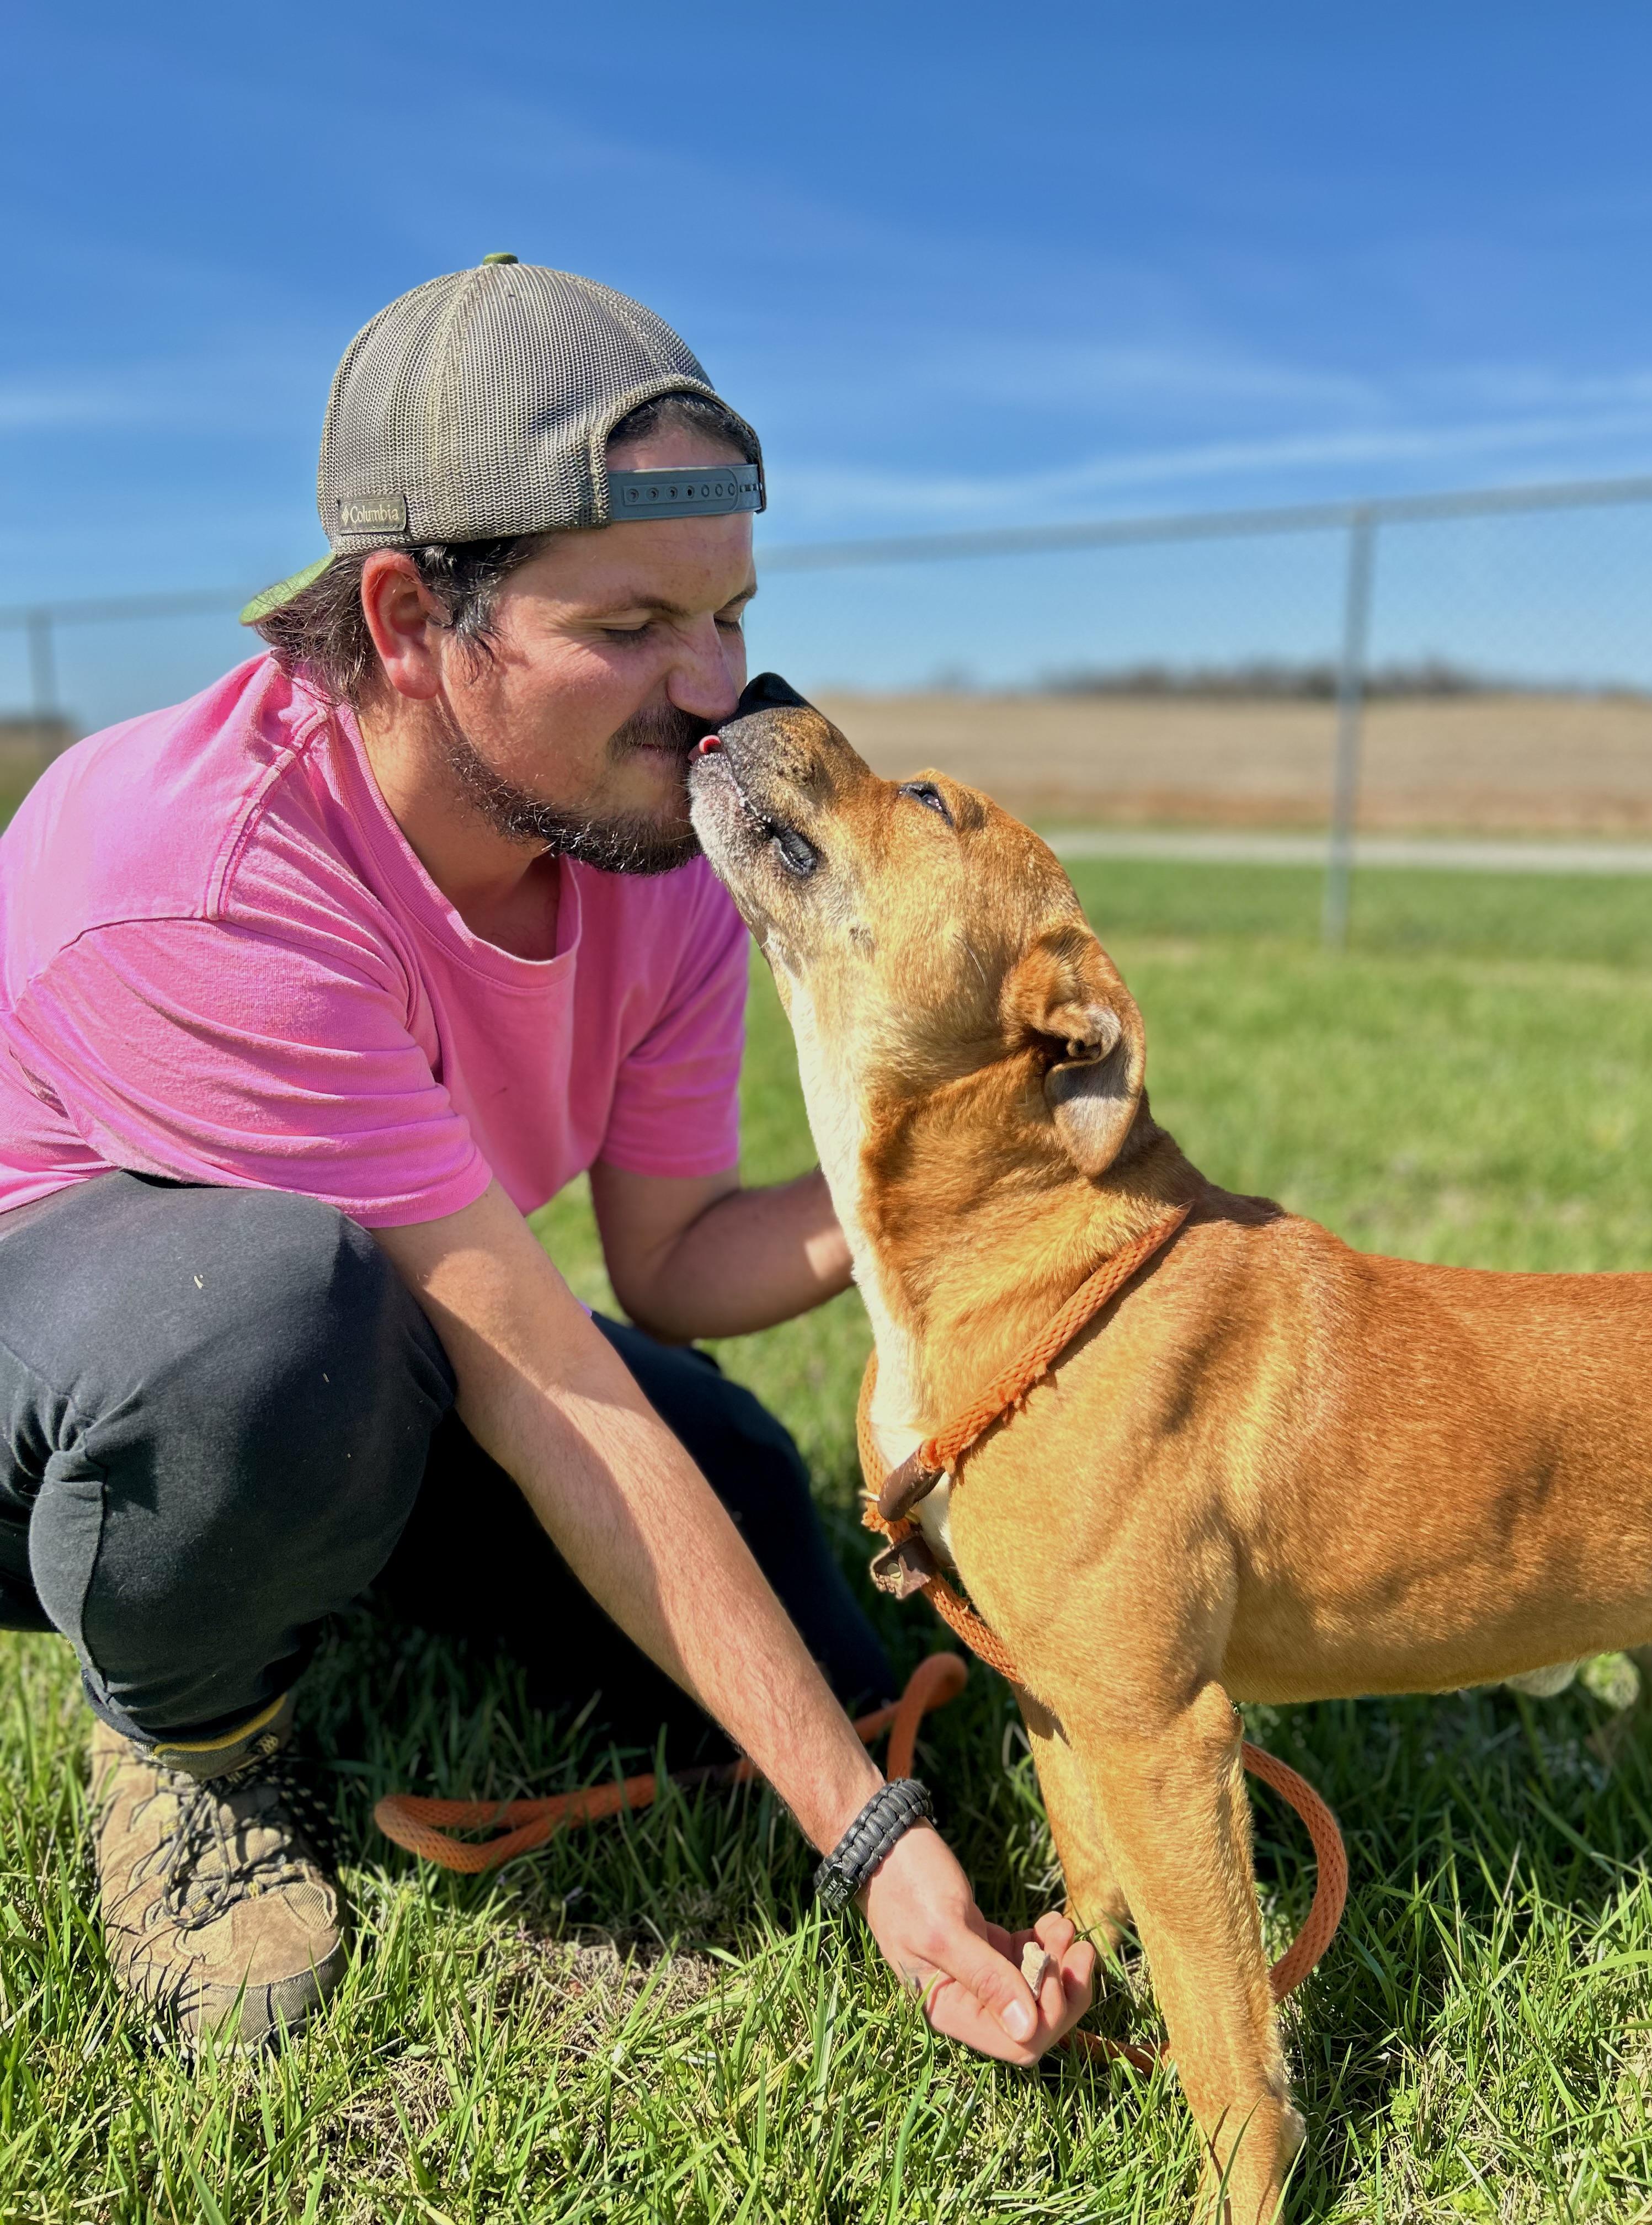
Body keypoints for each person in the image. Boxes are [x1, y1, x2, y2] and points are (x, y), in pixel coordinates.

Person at [0, 258, 1094, 2057]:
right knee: (268, 1321)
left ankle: (313, 1549)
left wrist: (955, 1175)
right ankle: (187, 1741)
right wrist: (874, 1844)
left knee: (759, 1532)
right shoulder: (198, 873)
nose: (718, 687)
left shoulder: (649, 831)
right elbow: (545, 1388)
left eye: (733, 611)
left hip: (393, 1348)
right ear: (413, 618)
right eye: (635, 623)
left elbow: (665, 1268)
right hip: (87, 1387)